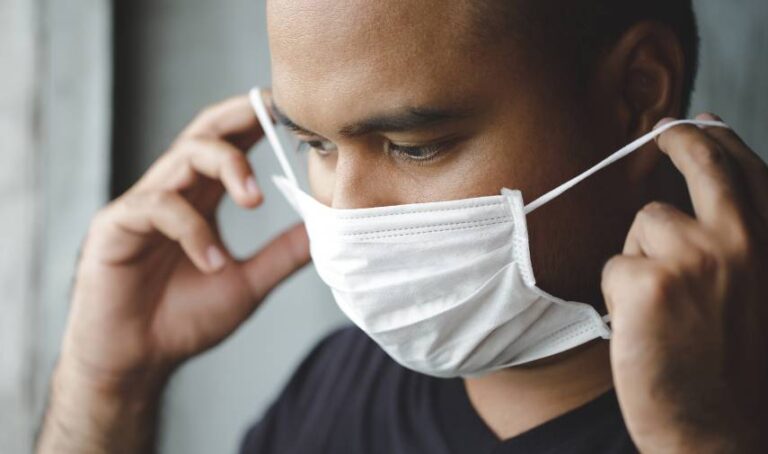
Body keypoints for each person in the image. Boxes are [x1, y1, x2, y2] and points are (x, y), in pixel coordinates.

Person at [36, 1, 768, 453]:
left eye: (414, 146)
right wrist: (109, 388)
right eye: (315, 145)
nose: (346, 217)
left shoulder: (734, 417)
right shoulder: (332, 390)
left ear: (637, 92)